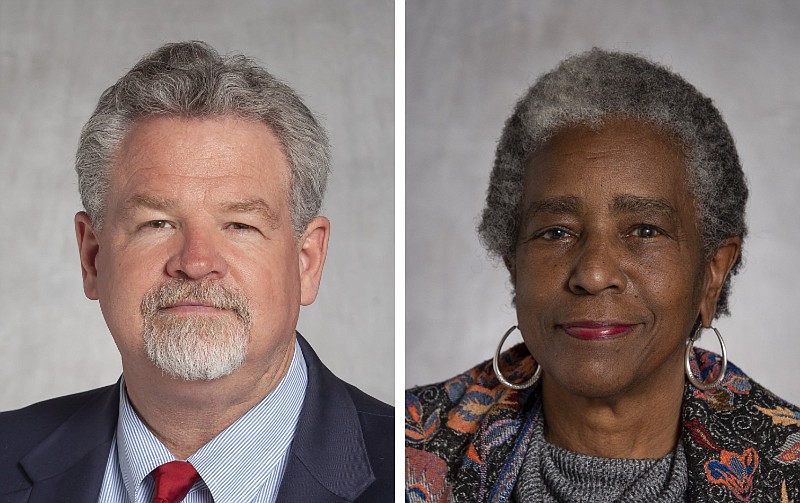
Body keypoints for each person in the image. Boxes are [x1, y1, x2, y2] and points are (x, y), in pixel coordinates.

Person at [0, 41, 392, 502]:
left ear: (307, 261)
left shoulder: (401, 467)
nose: (196, 261)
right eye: (157, 223)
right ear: (92, 256)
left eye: (240, 225)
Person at [405, 48, 800, 502]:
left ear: (712, 273)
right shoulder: (405, 449)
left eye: (644, 230)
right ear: (513, 265)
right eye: (555, 232)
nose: (592, 274)